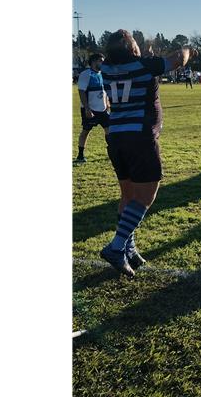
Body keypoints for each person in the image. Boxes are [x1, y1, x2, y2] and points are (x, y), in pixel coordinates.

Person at [96, 29, 194, 277]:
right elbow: (176, 60)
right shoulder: (143, 66)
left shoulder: (106, 69)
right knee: (146, 197)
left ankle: (128, 247)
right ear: (132, 48)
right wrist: (187, 49)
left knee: (128, 195)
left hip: (116, 136)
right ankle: (117, 246)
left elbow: (133, 67)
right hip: (139, 136)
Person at [75, 53, 109, 164]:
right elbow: (82, 91)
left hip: (102, 109)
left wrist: (107, 103)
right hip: (91, 109)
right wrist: (87, 108)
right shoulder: (86, 74)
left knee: (109, 130)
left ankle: (112, 151)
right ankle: (80, 155)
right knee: (86, 131)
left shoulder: (102, 74)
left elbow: (103, 91)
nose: (102, 63)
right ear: (94, 61)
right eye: (101, 61)